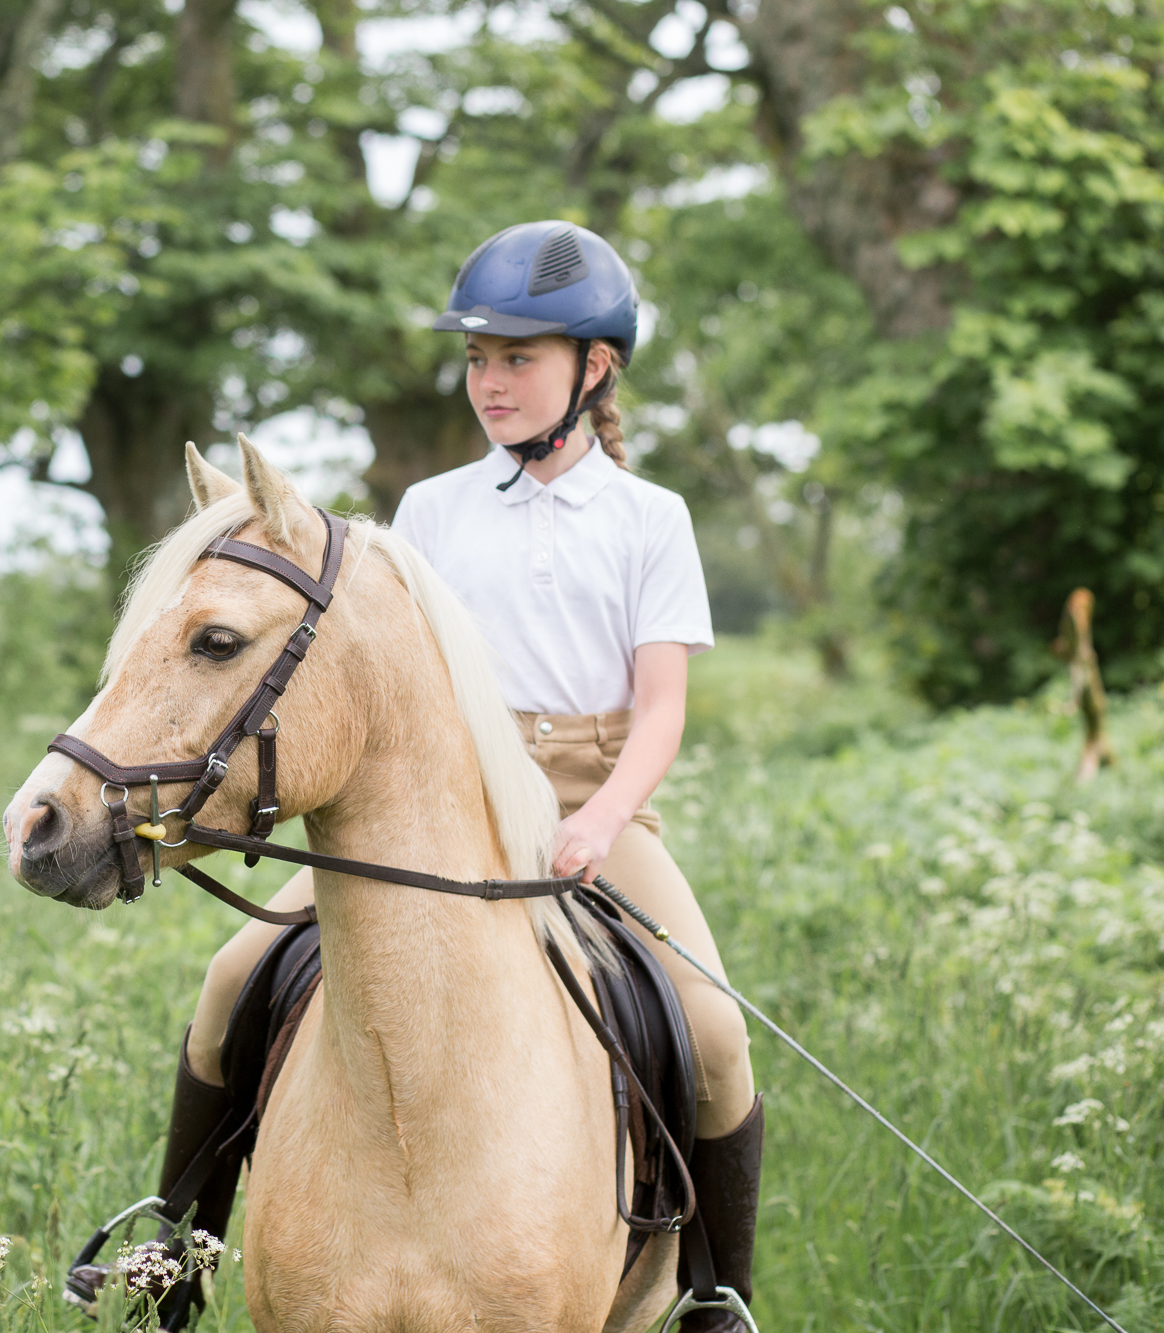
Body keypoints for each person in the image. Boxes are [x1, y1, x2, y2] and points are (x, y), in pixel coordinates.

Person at [72, 222, 762, 1333]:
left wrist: (599, 820)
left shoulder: (650, 519)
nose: (489, 382)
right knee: (228, 979)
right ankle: (179, 1245)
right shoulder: (432, 512)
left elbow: (662, 709)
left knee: (714, 1031)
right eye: (479, 360)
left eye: (517, 359)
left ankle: (713, 1292)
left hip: (592, 799)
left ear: (593, 368)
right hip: (440, 802)